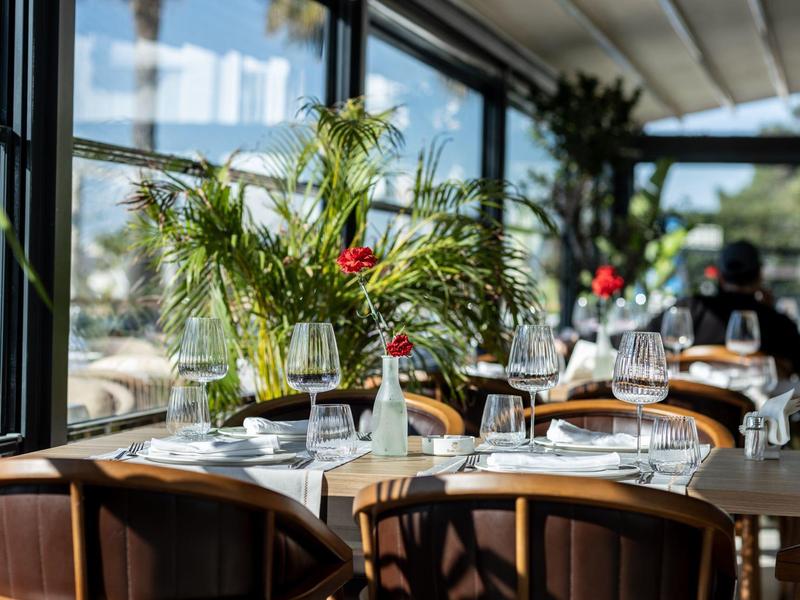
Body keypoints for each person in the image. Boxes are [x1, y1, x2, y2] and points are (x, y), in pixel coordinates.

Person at [649, 240, 800, 375]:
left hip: (685, 405)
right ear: (760, 276)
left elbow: (643, 345)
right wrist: (771, 311)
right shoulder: (780, 325)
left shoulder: (689, 308)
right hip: (758, 406)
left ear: (720, 276)